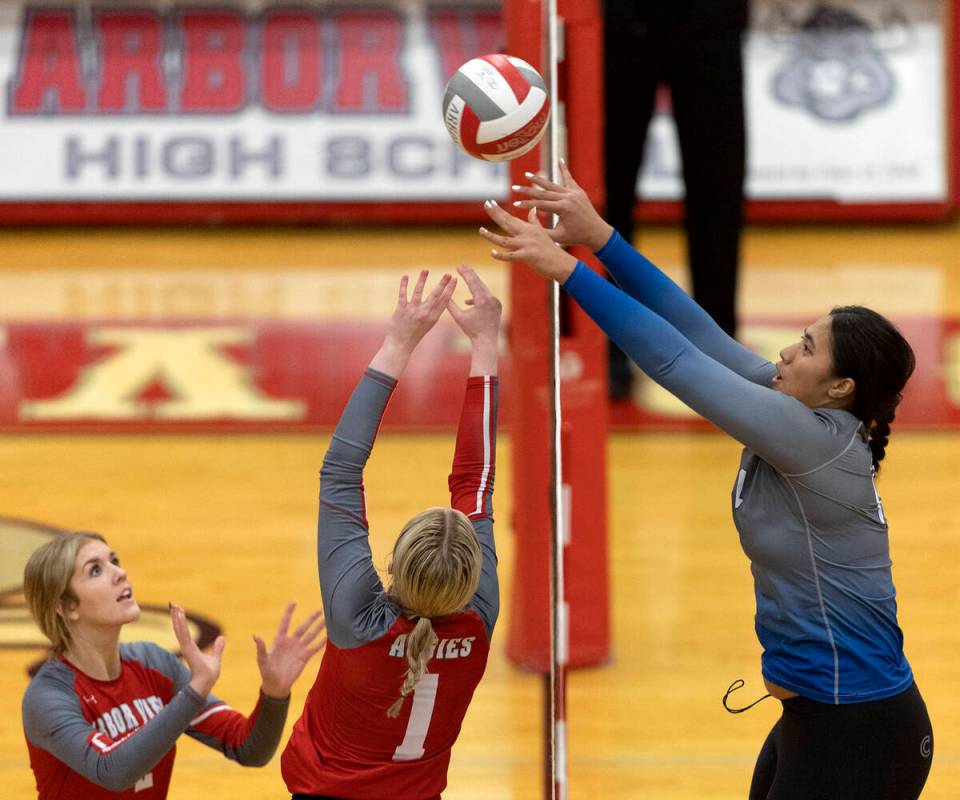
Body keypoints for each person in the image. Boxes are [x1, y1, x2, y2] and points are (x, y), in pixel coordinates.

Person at [481, 162, 933, 800]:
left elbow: (674, 363)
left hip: (857, 730)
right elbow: (697, 332)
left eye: (806, 347)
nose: (785, 352)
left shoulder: (812, 441)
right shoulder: (797, 412)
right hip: (824, 718)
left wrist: (567, 272)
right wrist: (602, 237)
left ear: (842, 388)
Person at [281, 266, 501, 800]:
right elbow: (475, 479)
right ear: (469, 576)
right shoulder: (477, 617)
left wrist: (399, 343)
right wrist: (487, 344)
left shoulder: (360, 617)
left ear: (392, 568)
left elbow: (340, 470)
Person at [21, 532, 324, 799]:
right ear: (67, 606)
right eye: (96, 570)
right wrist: (193, 691)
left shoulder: (154, 664)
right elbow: (112, 771)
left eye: (115, 560)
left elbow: (249, 748)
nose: (120, 573)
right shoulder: (49, 698)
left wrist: (274, 694)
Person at [604, 0, 748, 396]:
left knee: (718, 185)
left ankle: (719, 341)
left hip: (709, 18)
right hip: (615, 22)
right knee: (606, 186)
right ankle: (607, 342)